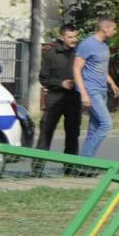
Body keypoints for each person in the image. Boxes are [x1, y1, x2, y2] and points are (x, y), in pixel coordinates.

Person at [35, 24, 82, 167]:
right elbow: (43, 78)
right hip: (55, 98)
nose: (73, 40)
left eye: (75, 36)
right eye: (70, 37)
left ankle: (70, 168)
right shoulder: (51, 54)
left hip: (73, 98)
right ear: (62, 37)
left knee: (73, 134)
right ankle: (37, 167)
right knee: (46, 132)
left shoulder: (80, 52)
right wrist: (61, 84)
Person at [74, 17, 119, 158]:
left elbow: (101, 69)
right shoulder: (87, 45)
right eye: (113, 28)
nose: (115, 31)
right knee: (106, 124)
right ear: (105, 29)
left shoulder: (104, 46)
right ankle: (83, 161)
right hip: (91, 90)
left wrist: (112, 83)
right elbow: (76, 69)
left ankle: (86, 163)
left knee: (94, 129)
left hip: (101, 90)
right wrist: (84, 94)